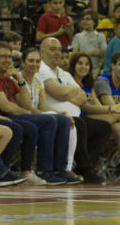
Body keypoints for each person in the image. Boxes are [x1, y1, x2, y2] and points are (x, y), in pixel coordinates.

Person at [0, 42, 71, 185]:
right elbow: (6, 107)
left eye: (10, 56)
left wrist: (19, 80)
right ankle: (41, 171)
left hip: (12, 115)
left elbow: (25, 103)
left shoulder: (8, 78)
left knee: (62, 120)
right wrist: (28, 112)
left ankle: (56, 169)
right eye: (3, 56)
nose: (8, 60)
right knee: (44, 122)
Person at [37, 37, 111, 183]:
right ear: (42, 52)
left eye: (59, 49)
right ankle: (85, 169)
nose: (57, 53)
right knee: (79, 124)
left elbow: (82, 97)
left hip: (74, 116)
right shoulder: (40, 69)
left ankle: (85, 165)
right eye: (52, 49)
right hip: (52, 116)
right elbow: (60, 92)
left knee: (104, 127)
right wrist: (70, 92)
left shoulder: (64, 73)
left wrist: (66, 93)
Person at [69, 52, 120, 183]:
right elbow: (87, 107)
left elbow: (97, 105)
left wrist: (113, 110)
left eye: (86, 64)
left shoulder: (88, 85)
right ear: (113, 66)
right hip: (81, 118)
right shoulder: (75, 81)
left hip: (100, 119)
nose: (84, 67)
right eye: (80, 63)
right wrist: (112, 109)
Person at [19, 48, 81, 184]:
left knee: (64, 120)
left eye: (37, 61)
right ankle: (44, 170)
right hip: (21, 114)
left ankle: (60, 169)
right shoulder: (17, 78)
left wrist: (60, 113)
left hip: (35, 115)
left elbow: (43, 107)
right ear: (23, 63)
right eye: (30, 61)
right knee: (50, 119)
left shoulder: (38, 80)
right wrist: (52, 115)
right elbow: (26, 107)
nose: (34, 64)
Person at [71, 9, 107, 78]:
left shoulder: (101, 36)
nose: (84, 21)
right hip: (81, 70)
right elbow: (74, 55)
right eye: (83, 19)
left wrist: (82, 53)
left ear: (94, 22)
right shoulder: (77, 36)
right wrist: (92, 52)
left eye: (88, 19)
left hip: (97, 70)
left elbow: (104, 54)